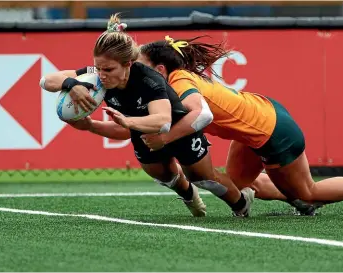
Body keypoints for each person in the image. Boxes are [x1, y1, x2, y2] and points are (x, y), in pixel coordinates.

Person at [136, 35, 343, 214]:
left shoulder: (179, 80)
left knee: (309, 194)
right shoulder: (175, 79)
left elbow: (202, 116)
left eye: (142, 66)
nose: (137, 72)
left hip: (273, 132)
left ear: (161, 69)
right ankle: (291, 195)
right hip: (259, 122)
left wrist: (165, 139)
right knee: (237, 186)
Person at [40, 14, 255, 218]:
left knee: (204, 178)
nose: (102, 75)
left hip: (178, 129)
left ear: (128, 65)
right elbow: (46, 81)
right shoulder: (97, 76)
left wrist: (127, 122)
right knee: (164, 175)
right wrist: (72, 85)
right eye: (98, 68)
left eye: (108, 69)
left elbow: (163, 120)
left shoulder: (148, 81)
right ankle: (188, 195)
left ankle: (241, 204)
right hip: (142, 131)